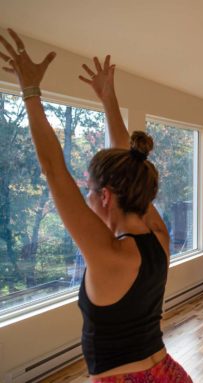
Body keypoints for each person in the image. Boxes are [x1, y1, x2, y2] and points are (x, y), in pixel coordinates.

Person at [0, 30, 192, 382]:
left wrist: (30, 91)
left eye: (88, 191)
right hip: (169, 372)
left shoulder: (108, 254)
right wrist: (108, 98)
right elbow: (127, 163)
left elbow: (54, 171)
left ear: (105, 196)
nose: (85, 198)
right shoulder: (159, 237)